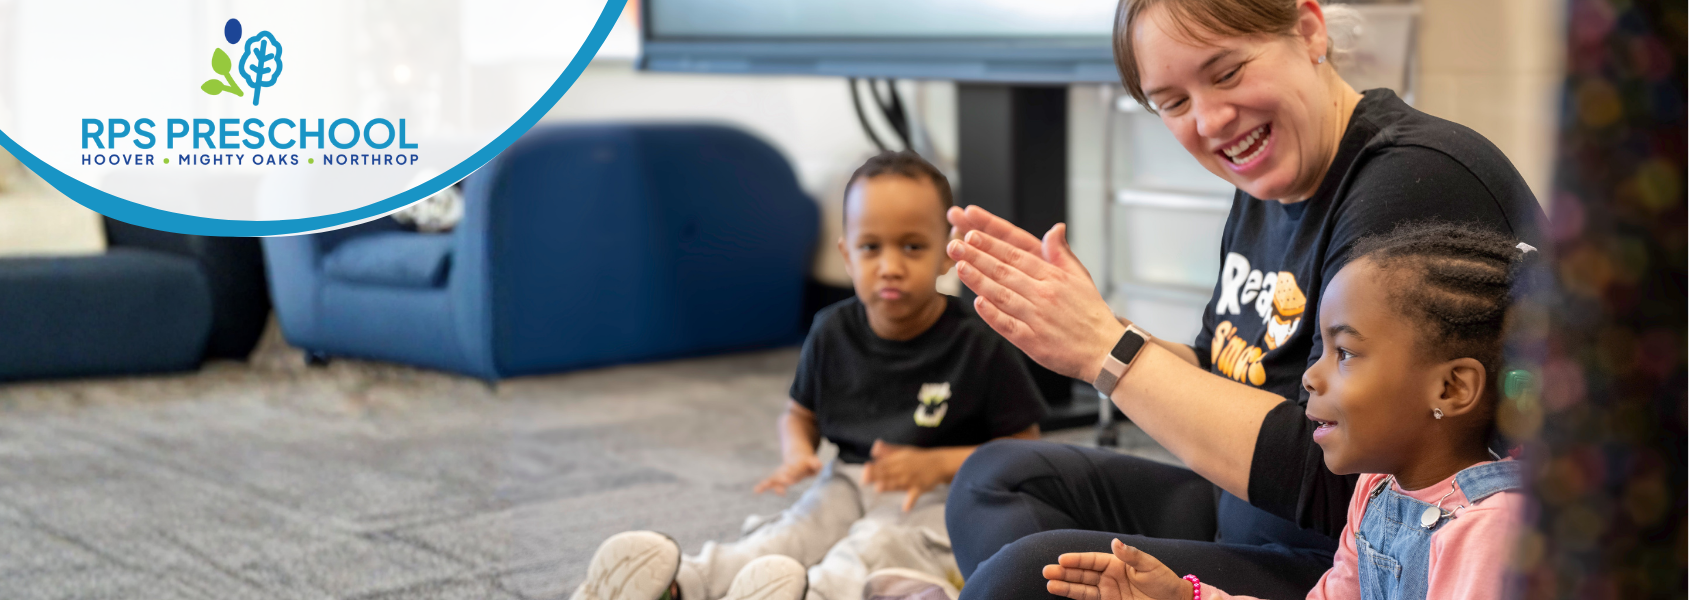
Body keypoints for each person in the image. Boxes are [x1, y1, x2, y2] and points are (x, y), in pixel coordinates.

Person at [938, 0, 1548, 598]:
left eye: (1226, 72)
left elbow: (1340, 480)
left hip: (1353, 557)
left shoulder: (1412, 183)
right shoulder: (1268, 179)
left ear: (1309, 30)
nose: (1208, 121)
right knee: (997, 482)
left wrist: (1107, 352)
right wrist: (1084, 329)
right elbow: (1223, 365)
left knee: (1026, 576)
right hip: (1243, 510)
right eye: (1173, 103)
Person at [570, 151, 1050, 600]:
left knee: (873, 545)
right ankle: (678, 584)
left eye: (911, 246)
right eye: (870, 247)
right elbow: (798, 415)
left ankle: (809, 594)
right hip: (848, 478)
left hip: (939, 496)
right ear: (846, 255)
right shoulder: (831, 331)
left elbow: (1027, 447)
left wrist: (938, 465)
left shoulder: (979, 342)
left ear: (946, 255)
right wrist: (797, 453)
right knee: (791, 532)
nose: (889, 267)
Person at [1043, 222, 1533, 600]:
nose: (1310, 378)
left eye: (1345, 353)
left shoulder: (1491, 530)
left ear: (1451, 388)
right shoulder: (1376, 490)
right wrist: (1186, 595)